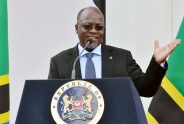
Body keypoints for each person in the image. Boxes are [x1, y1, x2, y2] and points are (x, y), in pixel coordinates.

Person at [48, 7, 180, 97]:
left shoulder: (122, 57)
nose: (94, 31)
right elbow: (51, 98)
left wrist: (157, 63)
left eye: (99, 27)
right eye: (87, 26)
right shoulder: (59, 61)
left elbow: (146, 89)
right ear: (77, 28)